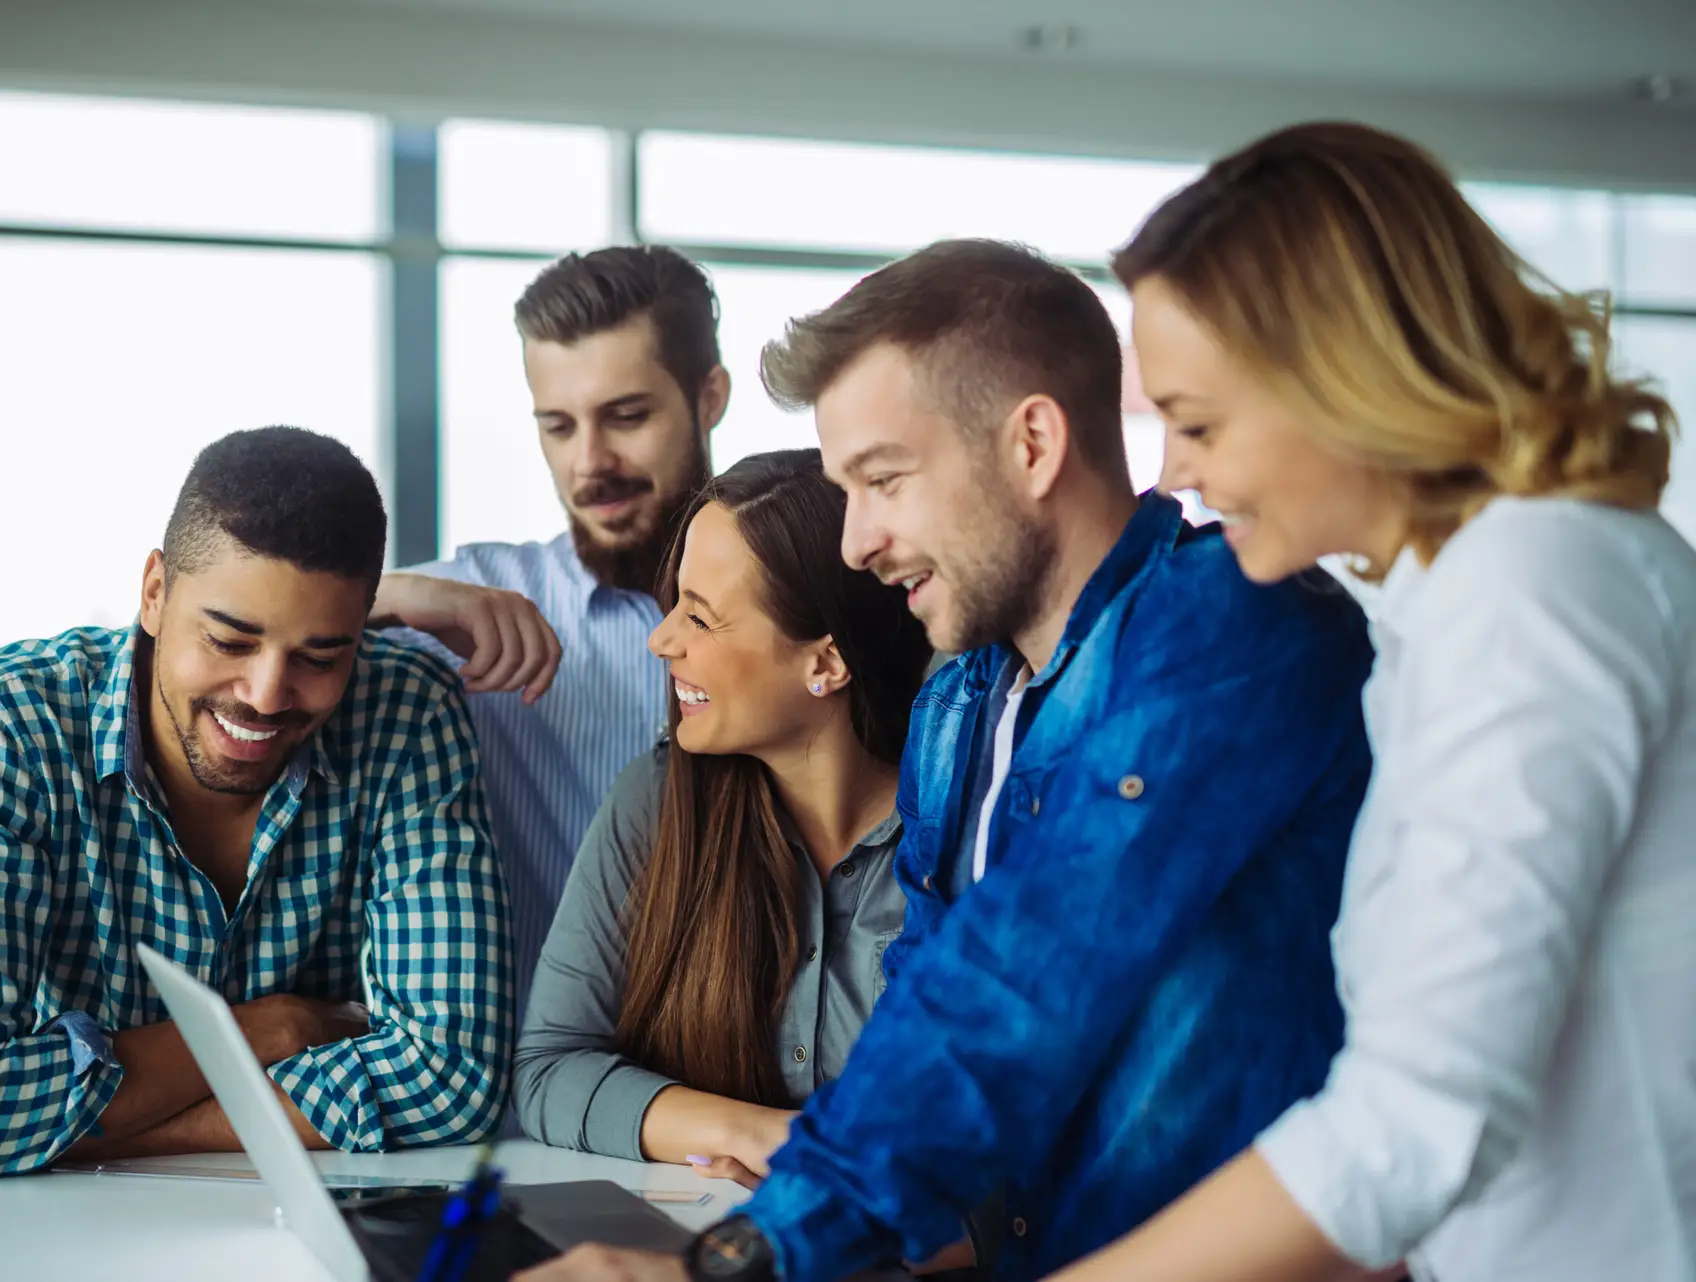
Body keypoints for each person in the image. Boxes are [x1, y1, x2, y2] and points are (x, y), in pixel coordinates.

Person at [518, 238, 1376, 1282]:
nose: (857, 543)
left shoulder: (1224, 630)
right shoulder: (962, 697)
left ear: (1032, 444)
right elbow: (927, 1006)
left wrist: (738, 1263)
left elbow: (1018, 983)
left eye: (883, 480)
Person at [1045, 122, 1695, 1282]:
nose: (1173, 475)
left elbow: (1421, 1115)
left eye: (1197, 422)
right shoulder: (1449, 604)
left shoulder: (1534, 583)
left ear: (1344, 378)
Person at [0, 426, 512, 1184]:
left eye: (319, 657)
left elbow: (454, 1077)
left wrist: (84, 1135)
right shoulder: (4, 722)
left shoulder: (407, 712)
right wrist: (272, 1028)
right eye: (229, 641)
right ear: (154, 594)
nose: (268, 695)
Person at [512, 449, 933, 1176]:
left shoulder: (960, 837)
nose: (661, 639)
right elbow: (549, 1068)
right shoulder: (656, 800)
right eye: (676, 603)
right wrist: (765, 1139)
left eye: (701, 619)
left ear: (825, 664)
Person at [372, 246, 731, 1007]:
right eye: (558, 427)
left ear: (710, 398)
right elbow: (232, 625)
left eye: (626, 417)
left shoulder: (803, 606)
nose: (589, 463)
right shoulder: (478, 603)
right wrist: (401, 593)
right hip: (527, 1108)